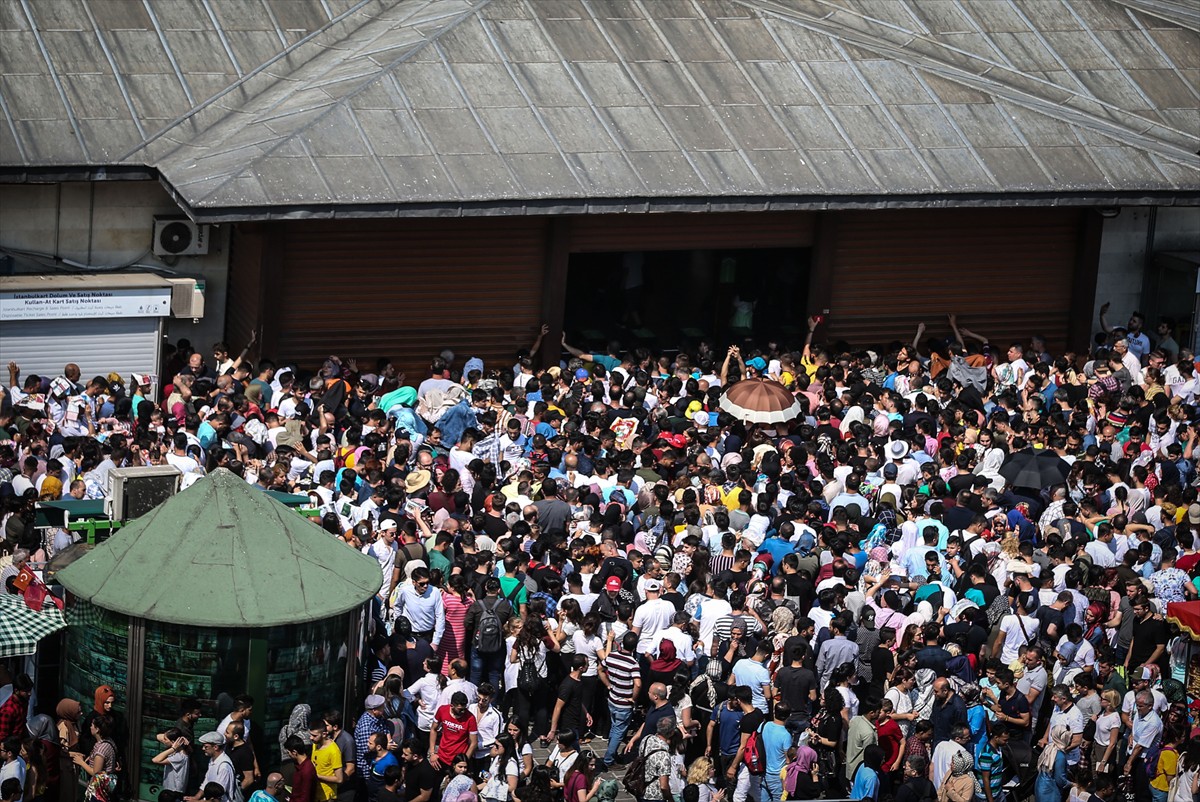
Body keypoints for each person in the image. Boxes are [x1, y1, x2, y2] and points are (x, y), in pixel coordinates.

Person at [429, 693, 478, 773]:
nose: (463, 711)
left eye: (464, 708)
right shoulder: (442, 710)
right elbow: (433, 729)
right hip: (441, 757)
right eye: (460, 709)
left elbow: (474, 743)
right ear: (452, 705)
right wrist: (432, 753)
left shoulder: (470, 718)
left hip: (457, 760)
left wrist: (463, 762)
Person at [188, 732, 238, 802]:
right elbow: (207, 781)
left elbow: (217, 796)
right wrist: (196, 797)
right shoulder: (212, 760)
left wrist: (198, 801)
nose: (203, 748)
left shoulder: (224, 767)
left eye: (206, 747)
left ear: (215, 747)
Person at [1035, 724, 1071, 802]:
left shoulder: (1048, 749)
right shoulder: (1060, 756)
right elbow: (1060, 780)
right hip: (1050, 791)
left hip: (1040, 786)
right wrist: (1072, 784)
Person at [286, 735, 317, 802]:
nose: (288, 755)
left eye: (288, 752)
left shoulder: (306, 770)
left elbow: (305, 797)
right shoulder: (300, 766)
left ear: (294, 752)